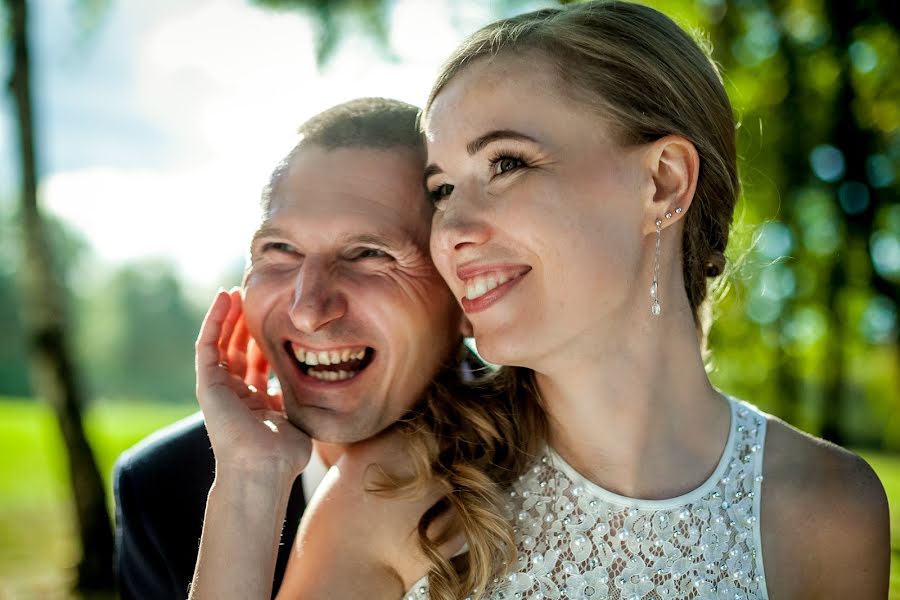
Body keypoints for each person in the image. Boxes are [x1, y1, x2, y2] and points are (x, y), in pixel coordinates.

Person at [419, 2, 890, 599]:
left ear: (662, 181)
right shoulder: (407, 496)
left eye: (506, 163)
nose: (451, 228)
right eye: (441, 190)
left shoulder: (831, 511)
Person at [115, 98, 529, 600]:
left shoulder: (557, 464)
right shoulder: (161, 486)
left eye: (369, 254)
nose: (308, 309)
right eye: (280, 250)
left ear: (464, 295)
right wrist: (251, 480)